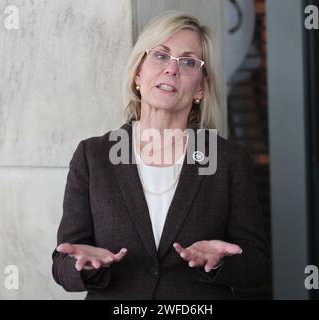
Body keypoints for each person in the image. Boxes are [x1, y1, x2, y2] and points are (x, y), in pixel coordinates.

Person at [52, 11, 269, 300]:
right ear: (138, 73)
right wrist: (84, 266)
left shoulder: (227, 160)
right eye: (160, 56)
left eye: (189, 62)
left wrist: (222, 262)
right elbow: (62, 263)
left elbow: (256, 265)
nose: (172, 69)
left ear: (201, 87)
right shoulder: (93, 156)